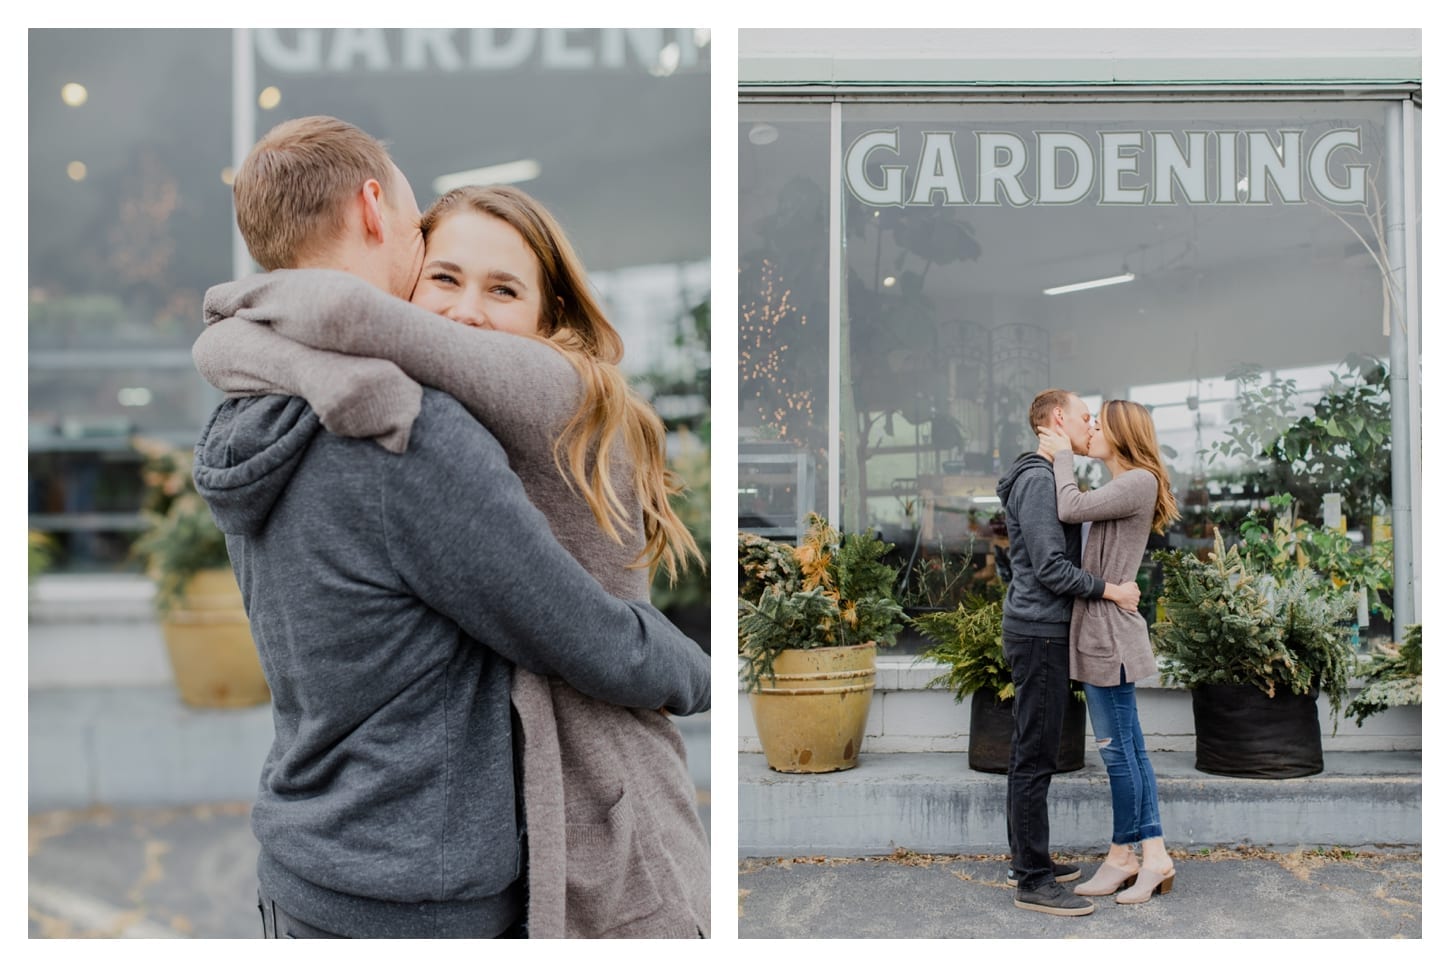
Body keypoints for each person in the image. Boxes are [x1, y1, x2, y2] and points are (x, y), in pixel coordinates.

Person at [189, 116, 711, 939]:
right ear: (374, 206)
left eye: (503, 289)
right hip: (417, 894)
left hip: (304, 862)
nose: (463, 316)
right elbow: (576, 630)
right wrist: (698, 672)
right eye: (442, 270)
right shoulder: (403, 430)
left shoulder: (256, 403)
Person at [993, 388, 1141, 917]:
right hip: (1040, 632)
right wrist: (1111, 590)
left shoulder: (1042, 473)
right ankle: (1032, 879)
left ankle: (1027, 859)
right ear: (1058, 418)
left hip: (1041, 629)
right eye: (1084, 417)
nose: (1090, 426)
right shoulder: (1036, 480)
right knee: (1034, 755)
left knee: (1030, 750)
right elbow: (1052, 569)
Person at [1036, 399, 1180, 905]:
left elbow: (1068, 507)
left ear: (1122, 434)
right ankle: (1138, 854)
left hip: (1109, 638)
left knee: (1119, 756)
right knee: (1131, 752)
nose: (1091, 428)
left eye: (1099, 422)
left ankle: (1136, 856)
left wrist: (1060, 456)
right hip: (1102, 629)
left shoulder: (1138, 480)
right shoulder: (1124, 485)